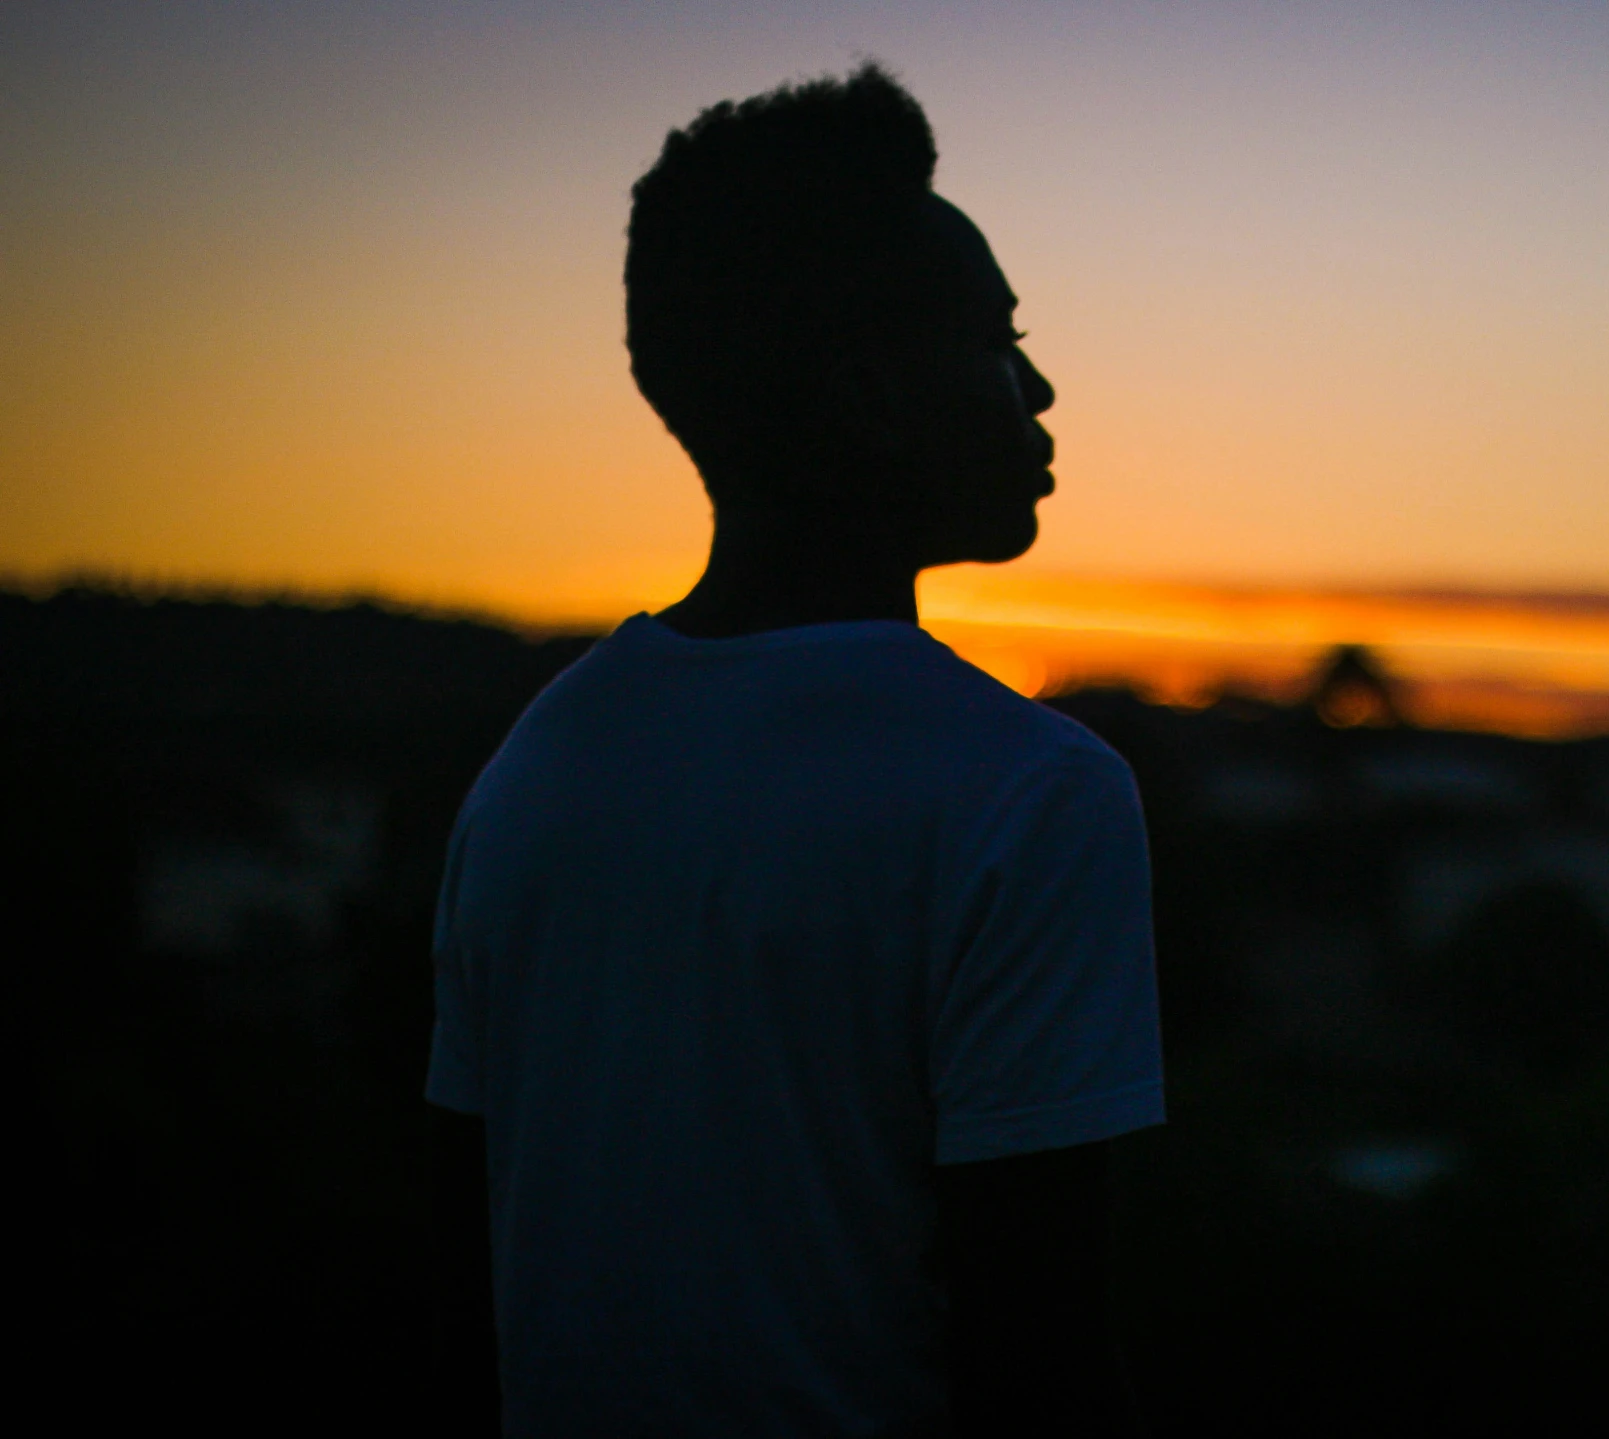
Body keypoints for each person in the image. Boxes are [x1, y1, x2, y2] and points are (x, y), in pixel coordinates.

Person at [425, 66, 1161, 1437]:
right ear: (875, 399)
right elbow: (1039, 1357)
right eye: (998, 342)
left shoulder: (536, 771)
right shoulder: (1029, 795)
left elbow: (476, 1287)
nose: (1041, 386)